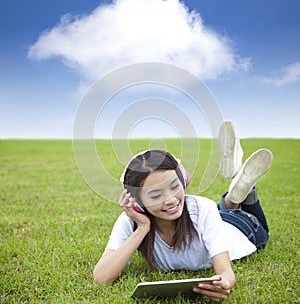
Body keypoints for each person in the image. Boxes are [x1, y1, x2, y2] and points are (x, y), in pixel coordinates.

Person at [93, 121, 273, 302]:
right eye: (155, 195)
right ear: (138, 203)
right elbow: (101, 277)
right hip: (215, 220)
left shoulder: (203, 208)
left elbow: (226, 271)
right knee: (218, 211)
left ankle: (242, 193)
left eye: (174, 187)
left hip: (243, 228)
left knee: (259, 227)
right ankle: (232, 198)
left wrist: (224, 284)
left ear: (184, 180)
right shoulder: (131, 220)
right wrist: (141, 229)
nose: (170, 199)